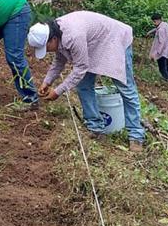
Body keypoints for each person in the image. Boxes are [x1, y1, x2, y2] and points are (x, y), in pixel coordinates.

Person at [27, 11, 145, 152]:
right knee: (83, 86)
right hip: (93, 44)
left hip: (114, 39)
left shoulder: (73, 36)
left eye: (46, 47)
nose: (47, 51)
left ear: (53, 39)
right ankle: (96, 128)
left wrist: (58, 92)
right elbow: (59, 60)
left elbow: (80, 68)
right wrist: (47, 82)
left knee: (125, 87)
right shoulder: (56, 32)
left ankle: (136, 135)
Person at [147, 13, 168, 83]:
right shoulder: (165, 25)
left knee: (162, 69)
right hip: (167, 51)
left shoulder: (160, 30)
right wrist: (150, 32)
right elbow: (157, 29)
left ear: (159, 20)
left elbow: (161, 43)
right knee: (167, 67)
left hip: (161, 53)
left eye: (155, 21)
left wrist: (155, 54)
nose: (154, 23)